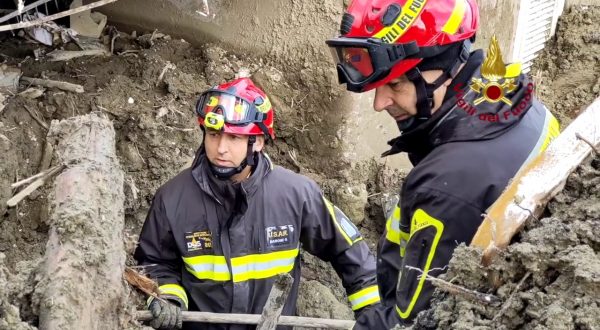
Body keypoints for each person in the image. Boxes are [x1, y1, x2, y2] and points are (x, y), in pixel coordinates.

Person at [325, 0, 560, 328]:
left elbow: (412, 320)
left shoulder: (447, 185)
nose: (380, 103)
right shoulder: (515, 98)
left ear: (445, 68)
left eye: (395, 84)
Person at [134, 77, 381, 330]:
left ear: (259, 141)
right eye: (214, 134)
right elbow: (155, 262)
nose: (220, 148)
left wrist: (375, 313)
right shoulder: (173, 198)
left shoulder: (295, 194)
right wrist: (167, 297)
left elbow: (350, 253)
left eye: (234, 138)